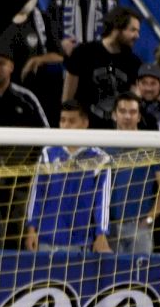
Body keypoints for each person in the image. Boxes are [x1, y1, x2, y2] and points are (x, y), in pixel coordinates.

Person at [25, 100, 112, 253]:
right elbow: (37, 194)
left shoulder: (100, 158)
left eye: (72, 121)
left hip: (81, 241)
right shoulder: (48, 153)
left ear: (85, 123)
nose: (66, 125)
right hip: (46, 239)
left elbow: (102, 202)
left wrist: (101, 234)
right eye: (63, 120)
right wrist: (31, 228)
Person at [108, 91, 160, 254]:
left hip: (139, 227)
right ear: (114, 115)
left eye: (132, 112)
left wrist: (148, 220)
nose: (127, 116)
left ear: (138, 116)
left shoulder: (152, 145)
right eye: (122, 111)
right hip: (107, 228)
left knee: (139, 279)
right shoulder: (102, 146)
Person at [62, 6, 142, 127]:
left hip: (116, 134)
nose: (137, 36)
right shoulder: (83, 52)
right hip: (85, 130)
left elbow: (133, 102)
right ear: (117, 28)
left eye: (138, 31)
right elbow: (67, 99)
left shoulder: (134, 62)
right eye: (133, 30)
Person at [45, 0, 117, 56]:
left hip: (101, 60)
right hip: (67, 61)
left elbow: (116, 33)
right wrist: (60, 45)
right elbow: (49, 29)